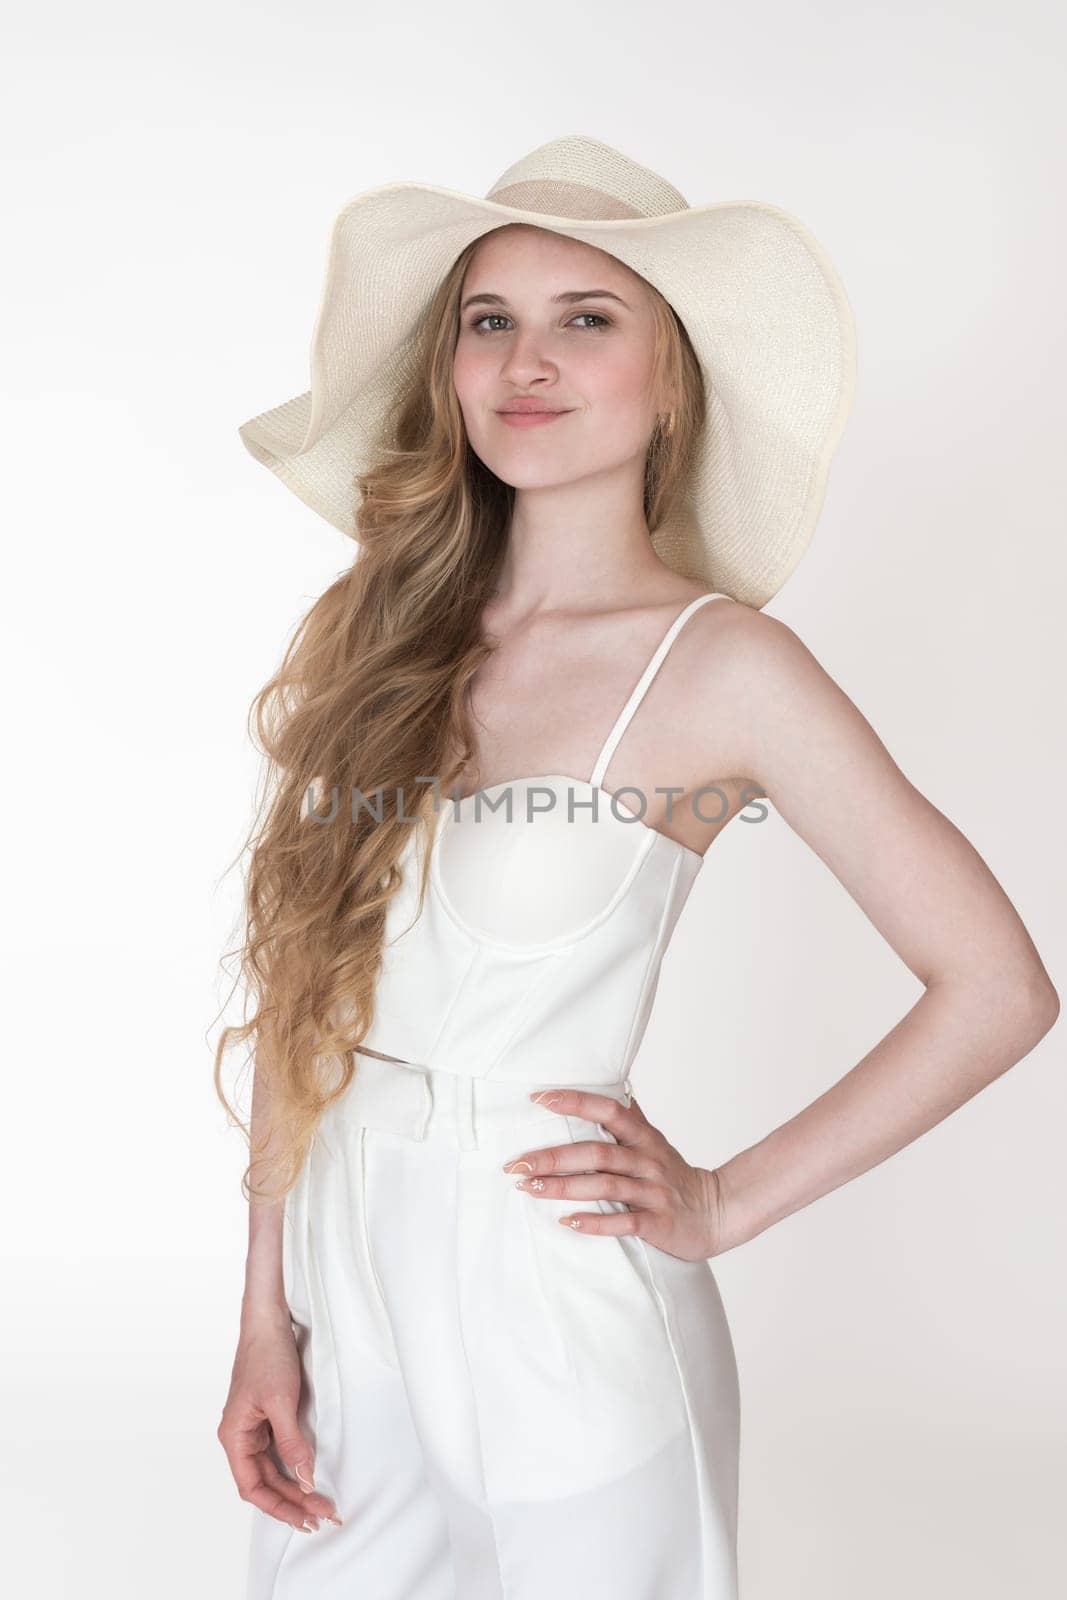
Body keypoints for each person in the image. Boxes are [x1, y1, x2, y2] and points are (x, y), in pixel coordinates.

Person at [214, 135, 1059, 1599]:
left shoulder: (724, 671)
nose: (525, 362)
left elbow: (995, 985)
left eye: (585, 319)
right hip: (350, 1289)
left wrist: (725, 1202)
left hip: (563, 1294)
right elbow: (308, 986)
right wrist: (263, 1313)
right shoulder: (378, 634)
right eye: (492, 320)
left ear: (674, 382)